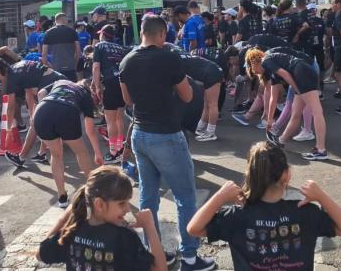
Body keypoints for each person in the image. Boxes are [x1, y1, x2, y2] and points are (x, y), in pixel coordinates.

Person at [119, 14, 215, 271]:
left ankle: (154, 253)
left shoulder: (127, 60)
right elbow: (187, 96)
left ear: (142, 32)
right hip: (167, 134)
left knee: (148, 195)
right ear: (162, 34)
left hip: (140, 133)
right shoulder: (169, 57)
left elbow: (127, 100)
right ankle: (190, 257)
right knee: (185, 196)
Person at [187, 142, 341, 271]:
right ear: (286, 175)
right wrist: (322, 197)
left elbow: (193, 229)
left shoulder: (236, 215)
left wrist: (220, 197)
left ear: (249, 176)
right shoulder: (306, 212)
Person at [38, 166, 166, 271]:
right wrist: (150, 226)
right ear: (99, 204)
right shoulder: (124, 237)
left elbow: (40, 254)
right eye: (121, 203)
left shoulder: (71, 232)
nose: (127, 209)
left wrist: (64, 219)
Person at [28, 79, 104, 207]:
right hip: (66, 111)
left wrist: (38, 113)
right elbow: (90, 130)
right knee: (80, 152)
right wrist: (97, 152)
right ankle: (94, 190)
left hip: (42, 111)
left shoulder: (61, 81)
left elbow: (40, 93)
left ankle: (62, 196)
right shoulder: (84, 94)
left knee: (56, 154)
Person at [246, 47, 329, 160]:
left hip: (301, 72)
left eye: (252, 69)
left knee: (316, 111)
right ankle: (281, 141)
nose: (255, 73)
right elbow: (273, 98)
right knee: (296, 113)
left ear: (253, 62)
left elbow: (285, 74)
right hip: (301, 72)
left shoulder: (266, 61)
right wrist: (269, 119)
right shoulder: (272, 71)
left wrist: (297, 89)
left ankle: (321, 149)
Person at [0, 51, 65, 167]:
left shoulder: (11, 78)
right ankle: (41, 153)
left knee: (36, 124)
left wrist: (8, 130)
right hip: (57, 79)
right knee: (39, 121)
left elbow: (10, 107)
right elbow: (29, 91)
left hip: (50, 84)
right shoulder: (18, 65)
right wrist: (31, 112)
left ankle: (21, 158)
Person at [89, 25, 132, 162]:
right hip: (122, 83)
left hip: (110, 83)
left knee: (110, 120)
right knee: (119, 118)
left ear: (103, 34)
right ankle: (119, 147)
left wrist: (97, 86)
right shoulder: (121, 48)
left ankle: (114, 152)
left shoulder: (99, 46)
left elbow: (96, 67)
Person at [169, 46, 225, 142]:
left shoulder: (174, 62)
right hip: (213, 70)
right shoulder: (180, 56)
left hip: (212, 73)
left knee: (212, 104)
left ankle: (211, 133)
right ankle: (200, 128)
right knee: (206, 104)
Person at [42, 13, 82, 81]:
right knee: (71, 87)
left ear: (55, 21)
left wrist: (50, 67)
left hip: (55, 69)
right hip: (70, 67)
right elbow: (78, 51)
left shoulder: (48, 33)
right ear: (65, 20)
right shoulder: (73, 32)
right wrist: (74, 65)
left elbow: (44, 54)